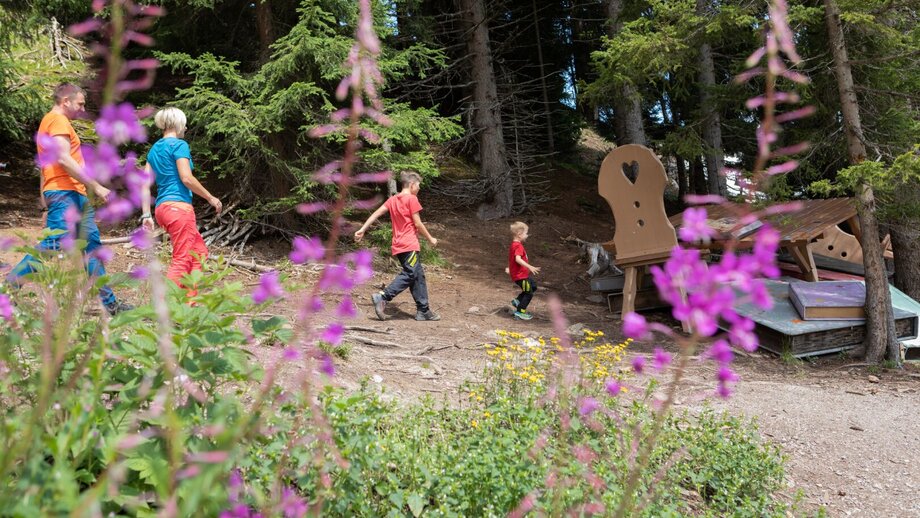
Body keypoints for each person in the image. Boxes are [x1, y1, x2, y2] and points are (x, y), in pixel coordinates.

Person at [7, 83, 133, 315]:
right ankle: (8, 288)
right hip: (66, 193)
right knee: (53, 244)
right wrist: (95, 185)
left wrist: (44, 196)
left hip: (71, 193)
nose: (82, 109)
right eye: (80, 103)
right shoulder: (58, 121)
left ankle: (110, 305)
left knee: (92, 247)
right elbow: (63, 159)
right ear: (66, 100)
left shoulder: (53, 122)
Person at [141, 107, 222, 297]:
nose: (186, 128)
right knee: (182, 258)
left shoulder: (154, 150)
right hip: (178, 208)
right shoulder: (179, 145)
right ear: (178, 124)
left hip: (162, 209)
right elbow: (186, 178)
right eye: (184, 124)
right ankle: (169, 309)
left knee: (199, 253)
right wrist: (210, 197)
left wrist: (146, 214)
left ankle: (188, 304)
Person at [354, 171, 440, 321]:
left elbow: (376, 214)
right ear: (412, 184)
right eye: (418, 185)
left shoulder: (393, 199)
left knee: (417, 274)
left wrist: (362, 229)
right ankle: (383, 296)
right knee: (410, 273)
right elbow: (418, 223)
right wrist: (430, 238)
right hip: (409, 244)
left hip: (399, 246)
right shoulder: (412, 199)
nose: (419, 188)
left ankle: (423, 310)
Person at [507, 221, 540, 320]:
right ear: (519, 234)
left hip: (522, 275)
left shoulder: (515, 245)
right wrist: (530, 266)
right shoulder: (518, 246)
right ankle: (520, 311)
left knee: (533, 286)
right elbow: (517, 259)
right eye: (526, 233)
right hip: (520, 276)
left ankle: (517, 301)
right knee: (529, 293)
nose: (527, 235)